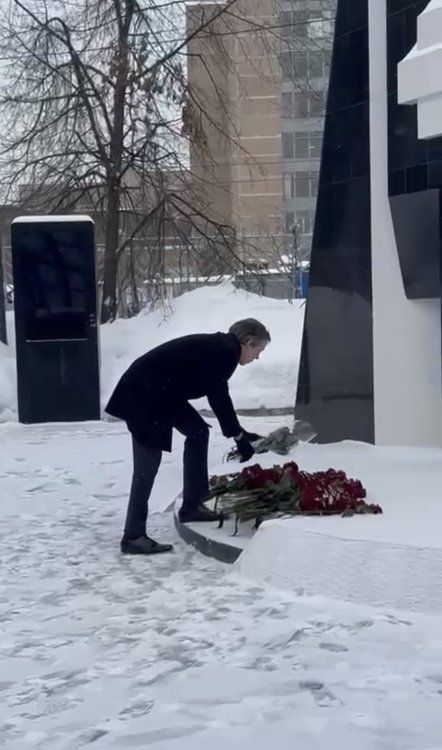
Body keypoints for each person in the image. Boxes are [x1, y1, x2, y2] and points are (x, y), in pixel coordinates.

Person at [105, 318, 271, 556]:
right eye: (258, 351)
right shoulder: (226, 351)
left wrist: (239, 433)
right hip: (144, 394)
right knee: (147, 465)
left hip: (164, 392)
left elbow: (216, 391)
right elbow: (218, 396)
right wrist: (238, 436)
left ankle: (192, 506)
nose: (257, 357)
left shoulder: (223, 348)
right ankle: (133, 536)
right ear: (249, 342)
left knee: (198, 432)